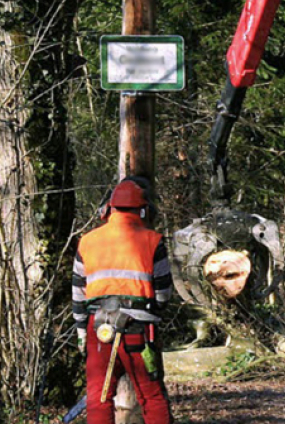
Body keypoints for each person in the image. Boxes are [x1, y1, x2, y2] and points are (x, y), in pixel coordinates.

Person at [72, 177, 173, 424]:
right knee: (151, 396)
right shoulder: (153, 240)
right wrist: (154, 313)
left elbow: (78, 291)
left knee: (99, 397)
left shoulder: (87, 241)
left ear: (109, 208)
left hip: (99, 328)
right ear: (143, 209)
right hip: (139, 329)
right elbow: (164, 292)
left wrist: (82, 330)